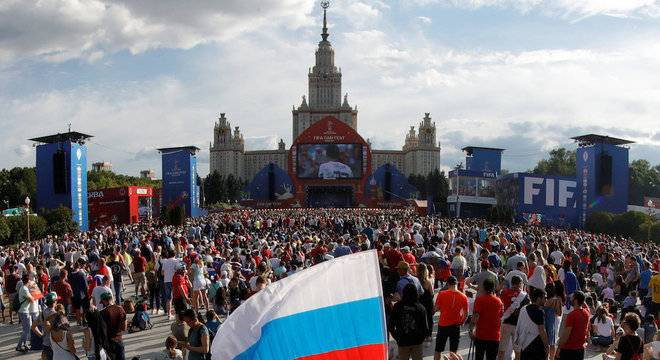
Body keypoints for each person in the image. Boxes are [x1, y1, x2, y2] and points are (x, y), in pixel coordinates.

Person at [389, 283, 429, 360]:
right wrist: (420, 339)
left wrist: (397, 338)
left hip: (403, 342)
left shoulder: (397, 307)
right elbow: (425, 328)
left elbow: (391, 326)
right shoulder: (421, 308)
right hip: (417, 342)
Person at [434, 276, 468, 360]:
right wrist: (462, 322)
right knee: (453, 351)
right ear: (456, 284)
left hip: (443, 324)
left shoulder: (442, 294)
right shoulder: (463, 296)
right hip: (456, 325)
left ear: (448, 284)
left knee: (438, 350)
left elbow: (436, 309)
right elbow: (466, 313)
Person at [470, 278, 503, 360]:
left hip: (481, 335)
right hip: (494, 336)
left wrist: (471, 330)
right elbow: (501, 316)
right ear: (494, 288)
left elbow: (475, 317)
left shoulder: (479, 300)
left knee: (479, 357)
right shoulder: (499, 301)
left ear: (484, 287)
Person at [497, 275, 529, 360]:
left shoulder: (503, 293)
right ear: (520, 284)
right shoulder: (525, 296)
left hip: (505, 324)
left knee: (501, 351)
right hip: (518, 326)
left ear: (511, 283)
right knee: (518, 352)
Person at [514, 288, 548, 360]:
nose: (546, 300)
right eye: (545, 298)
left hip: (524, 345)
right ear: (539, 298)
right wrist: (546, 346)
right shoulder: (539, 311)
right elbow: (542, 331)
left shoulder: (523, 308)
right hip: (537, 346)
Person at [558, 291, 590, 360]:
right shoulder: (587, 313)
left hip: (569, 349)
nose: (570, 299)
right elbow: (586, 306)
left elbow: (566, 335)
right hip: (580, 349)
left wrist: (559, 347)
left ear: (575, 300)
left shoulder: (572, 315)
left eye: (572, 298)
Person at [31, 291, 59, 360]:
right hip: (55, 343)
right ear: (54, 302)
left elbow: (33, 326)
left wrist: (41, 335)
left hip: (46, 343)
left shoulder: (42, 313)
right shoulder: (56, 314)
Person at [100, 291, 127, 360]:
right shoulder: (120, 309)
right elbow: (124, 328)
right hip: (119, 340)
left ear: (104, 301)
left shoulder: (102, 313)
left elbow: (101, 331)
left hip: (109, 342)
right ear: (111, 299)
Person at [16, 273, 39, 352]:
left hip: (24, 311)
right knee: (27, 330)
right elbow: (31, 299)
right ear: (28, 281)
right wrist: (35, 294)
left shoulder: (24, 288)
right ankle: (19, 346)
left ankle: (25, 344)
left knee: (26, 329)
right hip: (24, 311)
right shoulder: (25, 289)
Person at [544, 282, 563, 360]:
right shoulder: (557, 300)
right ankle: (551, 358)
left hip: (544, 321)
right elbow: (559, 313)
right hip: (554, 321)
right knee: (552, 342)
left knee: (545, 341)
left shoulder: (544, 299)